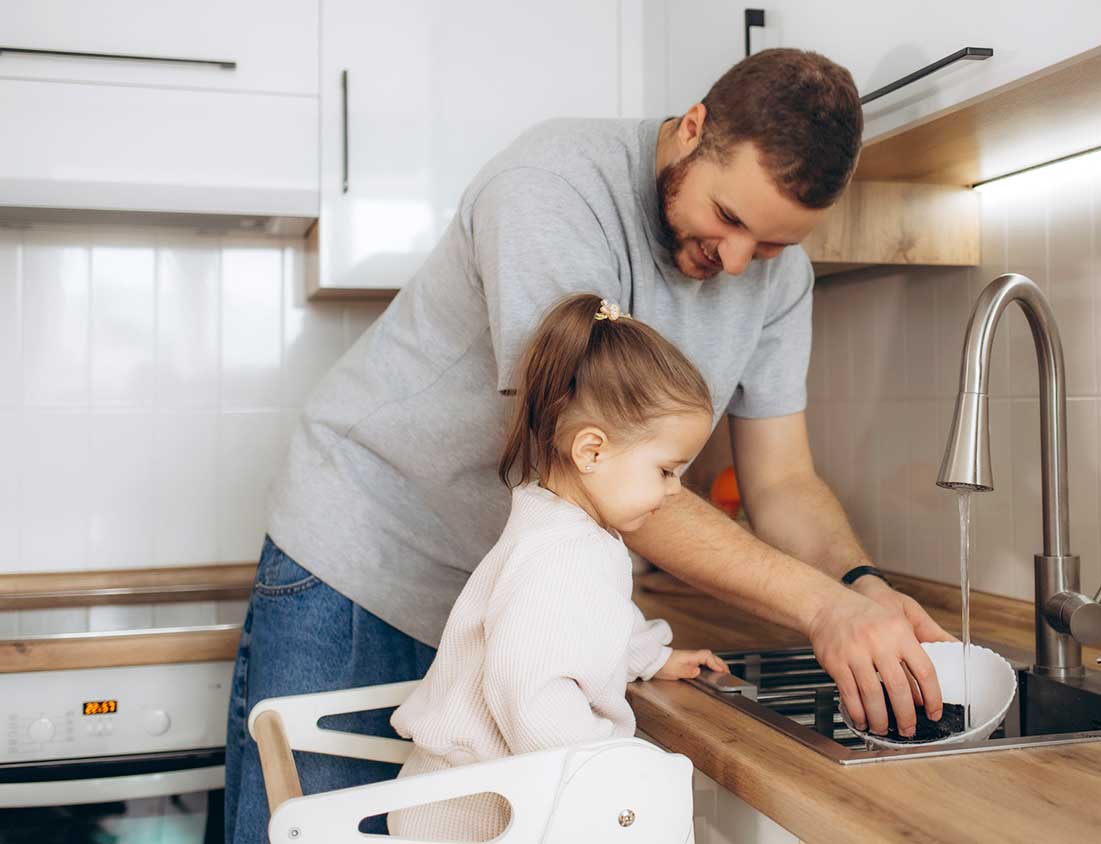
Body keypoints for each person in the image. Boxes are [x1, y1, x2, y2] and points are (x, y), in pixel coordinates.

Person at [225, 48, 952, 843]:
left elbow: (782, 481)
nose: (738, 264)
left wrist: (860, 586)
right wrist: (822, 607)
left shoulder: (778, 279)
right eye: (731, 219)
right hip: (367, 558)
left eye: (773, 246)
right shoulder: (552, 189)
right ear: (693, 130)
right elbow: (581, 457)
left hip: (512, 594)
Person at [387, 295, 726, 838]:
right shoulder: (569, 552)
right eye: (666, 470)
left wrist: (649, 655)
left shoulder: (558, 522)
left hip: (453, 797)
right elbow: (532, 689)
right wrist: (603, 777)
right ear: (591, 451)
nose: (675, 489)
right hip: (477, 818)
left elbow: (587, 622)